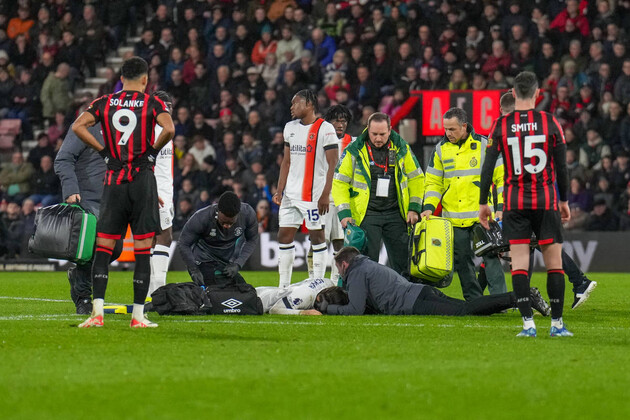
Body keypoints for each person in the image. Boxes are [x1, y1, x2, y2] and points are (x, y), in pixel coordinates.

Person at [72, 56, 175, 328]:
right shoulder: (154, 103)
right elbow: (170, 129)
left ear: (120, 78)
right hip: (142, 180)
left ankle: (97, 314)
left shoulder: (104, 102)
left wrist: (104, 152)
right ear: (145, 79)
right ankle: (138, 317)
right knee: (142, 249)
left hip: (114, 179)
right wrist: (151, 152)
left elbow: (77, 126)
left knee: (104, 248)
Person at [479, 71, 572, 337]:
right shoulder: (549, 121)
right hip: (545, 200)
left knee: (518, 264)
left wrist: (483, 202)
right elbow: (562, 167)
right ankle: (556, 325)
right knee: (554, 263)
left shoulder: (500, 125)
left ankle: (528, 325)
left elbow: (487, 169)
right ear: (537, 93)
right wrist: (564, 200)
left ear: (513, 92)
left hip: (514, 202)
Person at [498, 90, 597, 309]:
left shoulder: (515, 136)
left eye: (504, 112)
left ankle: (577, 281)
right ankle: (526, 294)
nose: (503, 117)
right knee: (534, 243)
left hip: (534, 197)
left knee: (538, 243)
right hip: (543, 194)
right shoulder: (537, 129)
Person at [308, 247, 549, 317]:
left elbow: (355, 309)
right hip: (421, 292)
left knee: (466, 310)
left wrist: (328, 309)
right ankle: (522, 298)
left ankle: (522, 296)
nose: (339, 273)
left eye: (339, 268)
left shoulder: (358, 272)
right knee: (468, 309)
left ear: (345, 264)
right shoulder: (368, 265)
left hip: (415, 302)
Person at [421, 108, 506, 300]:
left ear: (464, 126)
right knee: (463, 262)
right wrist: (429, 207)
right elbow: (433, 183)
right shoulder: (440, 150)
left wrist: (500, 208)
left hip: (482, 215)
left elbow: (501, 178)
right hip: (453, 218)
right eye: (446, 129)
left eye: (452, 129)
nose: (448, 133)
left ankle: (501, 300)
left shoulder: (485, 145)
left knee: (491, 257)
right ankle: (474, 301)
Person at [332, 112, 424, 275]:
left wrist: (414, 208)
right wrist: (344, 213)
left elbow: (416, 178)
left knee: (403, 265)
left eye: (382, 134)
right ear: (368, 130)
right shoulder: (355, 150)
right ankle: (366, 300)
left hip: (396, 214)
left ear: (390, 130)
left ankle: (403, 299)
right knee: (365, 265)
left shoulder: (402, 148)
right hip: (367, 215)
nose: (378, 138)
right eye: (374, 134)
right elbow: (339, 182)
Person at [272, 90, 338, 288]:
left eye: (295, 103)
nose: (292, 107)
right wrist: (279, 190)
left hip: (313, 195)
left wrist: (326, 193)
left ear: (309, 104)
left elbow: (332, 162)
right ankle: (283, 286)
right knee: (283, 235)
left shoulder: (325, 129)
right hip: (291, 195)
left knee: (317, 237)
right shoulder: (289, 127)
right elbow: (286, 161)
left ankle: (316, 284)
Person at [54, 123, 123, 315]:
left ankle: (79, 276)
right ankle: (83, 297)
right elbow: (63, 159)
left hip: (114, 197)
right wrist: (71, 189)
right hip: (87, 197)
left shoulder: (128, 127)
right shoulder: (85, 125)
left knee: (115, 249)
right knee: (96, 245)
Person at [306, 104, 355, 281]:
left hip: (343, 200)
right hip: (321, 198)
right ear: (329, 122)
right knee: (318, 240)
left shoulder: (354, 142)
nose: (340, 124)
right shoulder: (318, 140)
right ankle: (313, 279)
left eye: (344, 121)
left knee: (341, 243)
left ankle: (336, 281)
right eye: (336, 121)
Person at [178, 191, 259, 287]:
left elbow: (252, 239)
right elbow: (183, 243)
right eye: (223, 222)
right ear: (218, 210)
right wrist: (194, 270)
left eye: (231, 223)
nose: (227, 226)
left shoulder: (247, 214)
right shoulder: (202, 217)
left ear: (238, 214)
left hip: (225, 261)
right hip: (203, 258)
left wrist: (238, 264)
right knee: (214, 293)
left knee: (243, 291)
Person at [148, 91, 175, 298]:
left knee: (151, 240)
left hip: (165, 190)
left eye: (170, 107)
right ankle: (159, 288)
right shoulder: (151, 131)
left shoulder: (167, 131)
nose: (168, 110)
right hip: (156, 191)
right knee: (165, 236)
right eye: (163, 106)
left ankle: (150, 291)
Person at [256, 277, 336, 315]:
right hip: (257, 300)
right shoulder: (305, 295)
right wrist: (304, 312)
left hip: (265, 291)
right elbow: (274, 310)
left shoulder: (328, 282)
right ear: (319, 298)